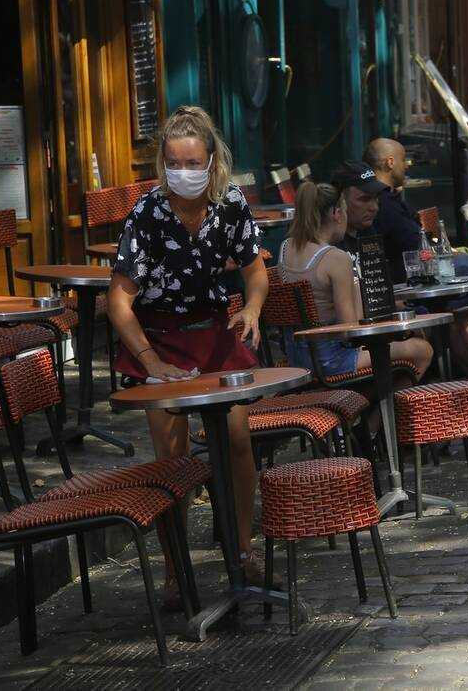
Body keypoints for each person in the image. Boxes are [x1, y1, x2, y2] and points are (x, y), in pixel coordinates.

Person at [108, 106, 267, 606]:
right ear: (162, 163)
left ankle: (243, 549)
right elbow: (118, 301)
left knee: (237, 440)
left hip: (216, 333)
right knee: (171, 456)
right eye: (175, 163)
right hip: (161, 337)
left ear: (212, 161)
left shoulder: (231, 203)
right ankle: (176, 570)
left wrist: (253, 310)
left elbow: (255, 271)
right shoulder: (146, 214)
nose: (184, 172)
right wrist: (149, 361)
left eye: (193, 163)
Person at [277, 180, 433, 380]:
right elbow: (351, 328)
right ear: (336, 214)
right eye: (344, 211)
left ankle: (370, 399)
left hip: (296, 359)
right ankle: (380, 401)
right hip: (331, 361)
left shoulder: (285, 248)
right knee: (422, 350)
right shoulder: (336, 258)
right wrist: (357, 284)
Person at [362, 138, 425, 283]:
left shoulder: (389, 200)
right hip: (406, 283)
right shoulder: (385, 204)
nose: (406, 166)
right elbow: (415, 241)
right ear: (390, 162)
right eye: (403, 160)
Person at [331, 160, 385, 255]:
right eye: (364, 199)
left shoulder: (371, 231)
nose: (374, 208)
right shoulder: (327, 244)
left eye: (376, 198)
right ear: (340, 200)